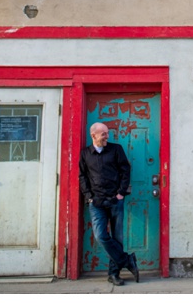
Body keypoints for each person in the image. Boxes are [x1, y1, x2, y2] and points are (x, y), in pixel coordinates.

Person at [79, 122, 140, 286]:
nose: (107, 136)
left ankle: (114, 274)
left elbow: (125, 171)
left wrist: (121, 193)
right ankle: (127, 260)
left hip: (115, 200)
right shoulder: (85, 153)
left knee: (117, 237)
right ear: (94, 136)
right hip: (96, 202)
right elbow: (82, 176)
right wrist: (88, 196)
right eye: (103, 134)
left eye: (107, 133)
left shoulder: (116, 149)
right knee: (100, 236)